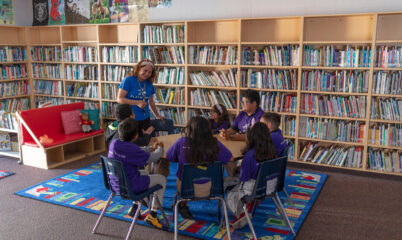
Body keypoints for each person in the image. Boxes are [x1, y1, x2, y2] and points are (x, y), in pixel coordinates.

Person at [166, 116, 233, 219]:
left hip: (186, 189)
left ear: (189, 128)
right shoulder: (214, 143)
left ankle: (183, 204)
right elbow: (230, 158)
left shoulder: (181, 142)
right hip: (212, 188)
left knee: (185, 176)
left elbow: (169, 156)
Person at [108, 118, 166, 228]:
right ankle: (153, 215)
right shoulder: (132, 149)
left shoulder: (114, 143)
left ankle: (135, 207)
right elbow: (153, 158)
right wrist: (160, 149)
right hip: (131, 186)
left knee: (143, 171)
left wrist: (149, 148)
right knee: (161, 179)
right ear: (135, 136)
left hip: (115, 184)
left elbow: (135, 150)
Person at [225, 122, 277, 229]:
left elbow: (244, 178)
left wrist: (239, 170)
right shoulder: (273, 152)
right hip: (270, 186)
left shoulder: (249, 155)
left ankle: (241, 213)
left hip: (253, 189)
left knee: (229, 188)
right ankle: (249, 206)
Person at [117, 59, 174, 136]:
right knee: (134, 144)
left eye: (149, 72)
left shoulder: (149, 84)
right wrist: (137, 102)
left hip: (145, 119)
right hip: (130, 120)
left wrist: (157, 115)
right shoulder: (128, 80)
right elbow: (119, 99)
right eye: (145, 70)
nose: (147, 74)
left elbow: (151, 102)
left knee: (146, 142)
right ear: (139, 68)